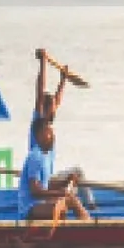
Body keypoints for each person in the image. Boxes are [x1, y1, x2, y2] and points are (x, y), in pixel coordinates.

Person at [31, 48, 96, 209]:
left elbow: (57, 100)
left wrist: (63, 80)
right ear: (45, 109)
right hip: (41, 180)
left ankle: (73, 200)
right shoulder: (39, 122)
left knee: (74, 176)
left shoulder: (49, 123)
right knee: (78, 172)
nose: (55, 110)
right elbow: (40, 90)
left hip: (49, 177)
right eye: (52, 108)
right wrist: (43, 64)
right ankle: (91, 206)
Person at [19, 116, 90, 221]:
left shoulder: (44, 156)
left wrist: (66, 181)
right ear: (39, 136)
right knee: (64, 202)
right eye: (49, 133)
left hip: (40, 204)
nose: (53, 137)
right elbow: (35, 191)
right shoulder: (35, 156)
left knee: (66, 201)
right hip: (30, 208)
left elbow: (46, 185)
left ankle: (84, 224)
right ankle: (88, 225)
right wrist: (61, 193)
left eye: (53, 133)